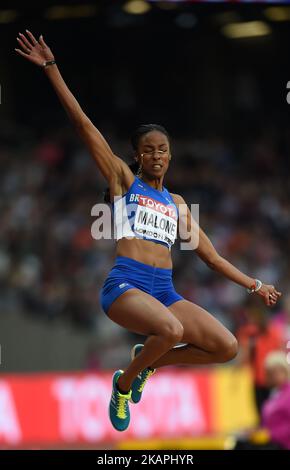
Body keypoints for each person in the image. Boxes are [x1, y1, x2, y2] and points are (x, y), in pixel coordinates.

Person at [15, 30, 282, 432]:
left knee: (226, 347)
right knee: (172, 330)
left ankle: (149, 360)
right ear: (137, 155)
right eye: (149, 149)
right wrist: (52, 69)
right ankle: (123, 383)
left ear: (170, 155)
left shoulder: (176, 203)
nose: (157, 155)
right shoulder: (124, 180)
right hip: (126, 286)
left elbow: (211, 257)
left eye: (163, 149)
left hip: (165, 291)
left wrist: (253, 284)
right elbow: (82, 124)